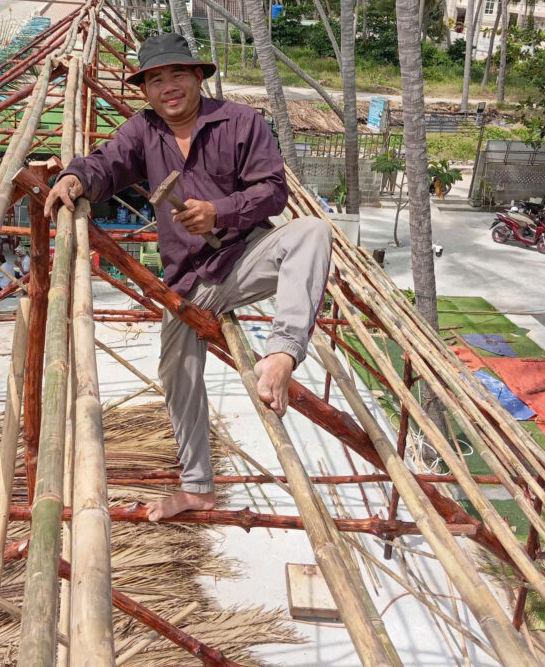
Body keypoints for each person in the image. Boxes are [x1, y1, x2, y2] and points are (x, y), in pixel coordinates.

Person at [44, 33, 332, 521]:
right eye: (155, 79)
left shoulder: (240, 122)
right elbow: (106, 165)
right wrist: (73, 178)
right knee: (177, 375)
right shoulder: (144, 131)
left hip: (242, 257)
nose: (167, 87)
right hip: (188, 283)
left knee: (312, 233)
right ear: (146, 90)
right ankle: (197, 487)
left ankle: (282, 355)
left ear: (199, 76)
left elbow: (273, 191)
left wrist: (219, 212)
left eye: (177, 73)